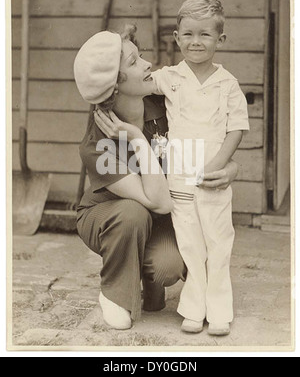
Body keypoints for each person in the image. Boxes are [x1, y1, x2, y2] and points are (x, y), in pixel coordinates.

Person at [73, 26, 239, 331]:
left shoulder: (163, 107)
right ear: (115, 86)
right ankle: (115, 294)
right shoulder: (99, 144)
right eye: (134, 62)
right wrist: (136, 138)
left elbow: (205, 144)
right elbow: (159, 202)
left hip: (157, 216)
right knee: (132, 212)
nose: (149, 64)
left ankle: (151, 285)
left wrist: (229, 169)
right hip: (109, 216)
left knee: (169, 266)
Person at [151, 0, 250, 336]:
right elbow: (137, 81)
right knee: (191, 245)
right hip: (180, 178)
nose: (196, 42)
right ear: (177, 38)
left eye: (205, 34)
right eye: (188, 34)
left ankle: (220, 310)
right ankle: (194, 308)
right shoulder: (169, 77)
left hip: (213, 177)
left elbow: (236, 128)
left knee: (218, 243)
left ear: (220, 39)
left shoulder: (227, 83)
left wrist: (221, 165)